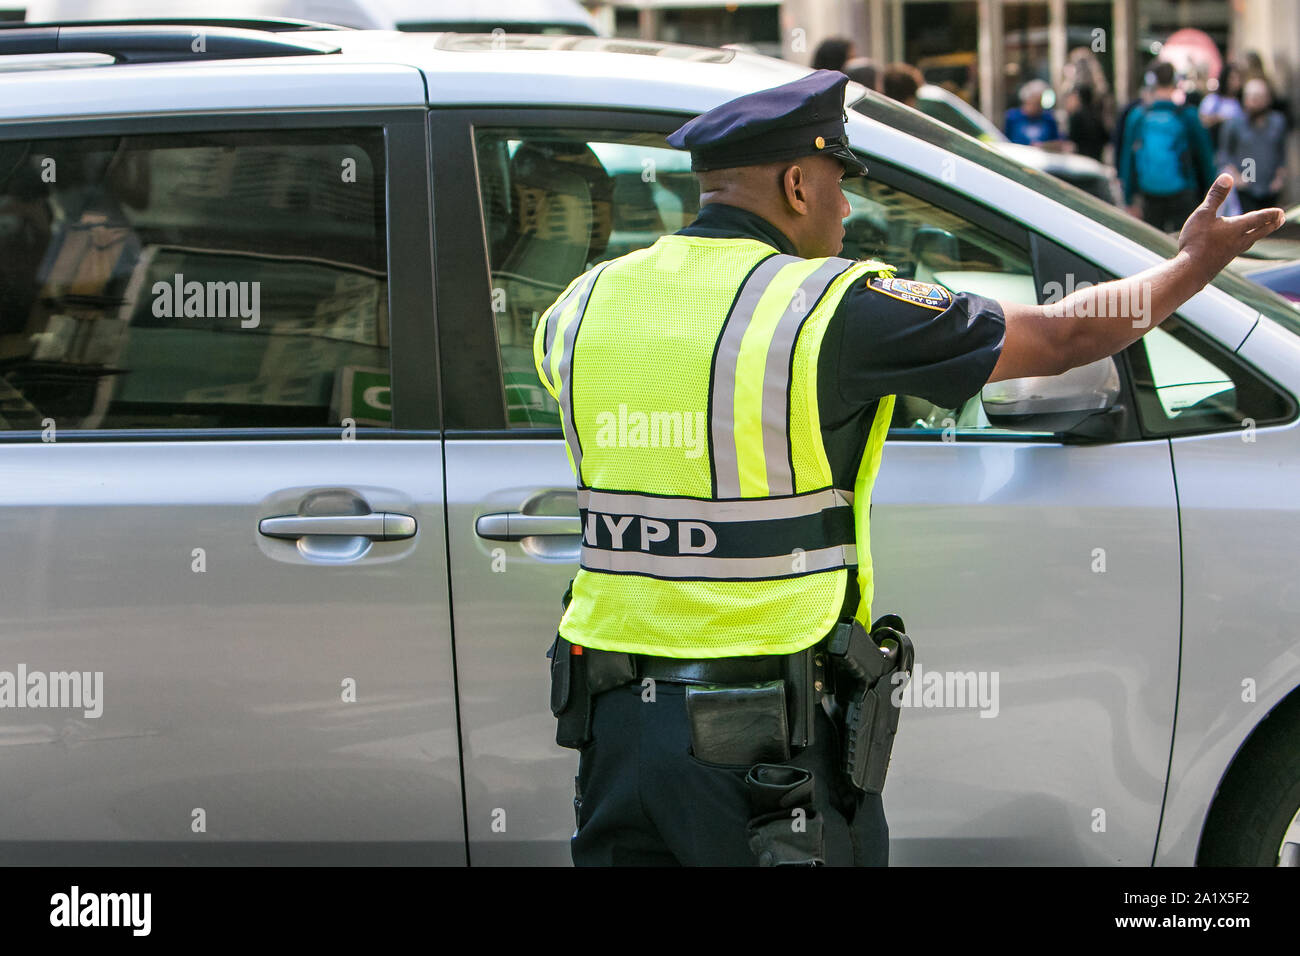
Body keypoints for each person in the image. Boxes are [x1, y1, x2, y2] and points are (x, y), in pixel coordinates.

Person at [536, 69, 1284, 867]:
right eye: (836, 184)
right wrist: (1192, 268)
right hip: (757, 752)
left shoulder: (583, 304)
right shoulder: (828, 308)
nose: (847, 208)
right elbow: (1065, 337)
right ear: (795, 184)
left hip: (611, 735)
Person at [1118, 60, 1217, 231]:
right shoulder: (1188, 115)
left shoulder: (1138, 116)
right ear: (1175, 83)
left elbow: (1128, 158)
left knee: (1152, 246)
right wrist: (1211, 199)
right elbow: (1206, 158)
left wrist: (1128, 199)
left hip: (1149, 193)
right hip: (1184, 193)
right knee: (1183, 243)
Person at [1220, 77, 1289, 213]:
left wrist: (1280, 177)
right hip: (1247, 188)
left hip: (1270, 187)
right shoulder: (1234, 124)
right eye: (1249, 96)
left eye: (1257, 97)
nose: (1253, 101)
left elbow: (1281, 152)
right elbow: (1225, 154)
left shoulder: (1278, 122)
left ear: (1267, 98)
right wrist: (1236, 178)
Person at [1004, 79, 1066, 149]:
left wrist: (1043, 145)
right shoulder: (1013, 117)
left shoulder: (1048, 119)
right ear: (1026, 101)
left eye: (1039, 104)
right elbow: (1004, 141)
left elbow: (1059, 143)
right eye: (1034, 103)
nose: (1037, 107)